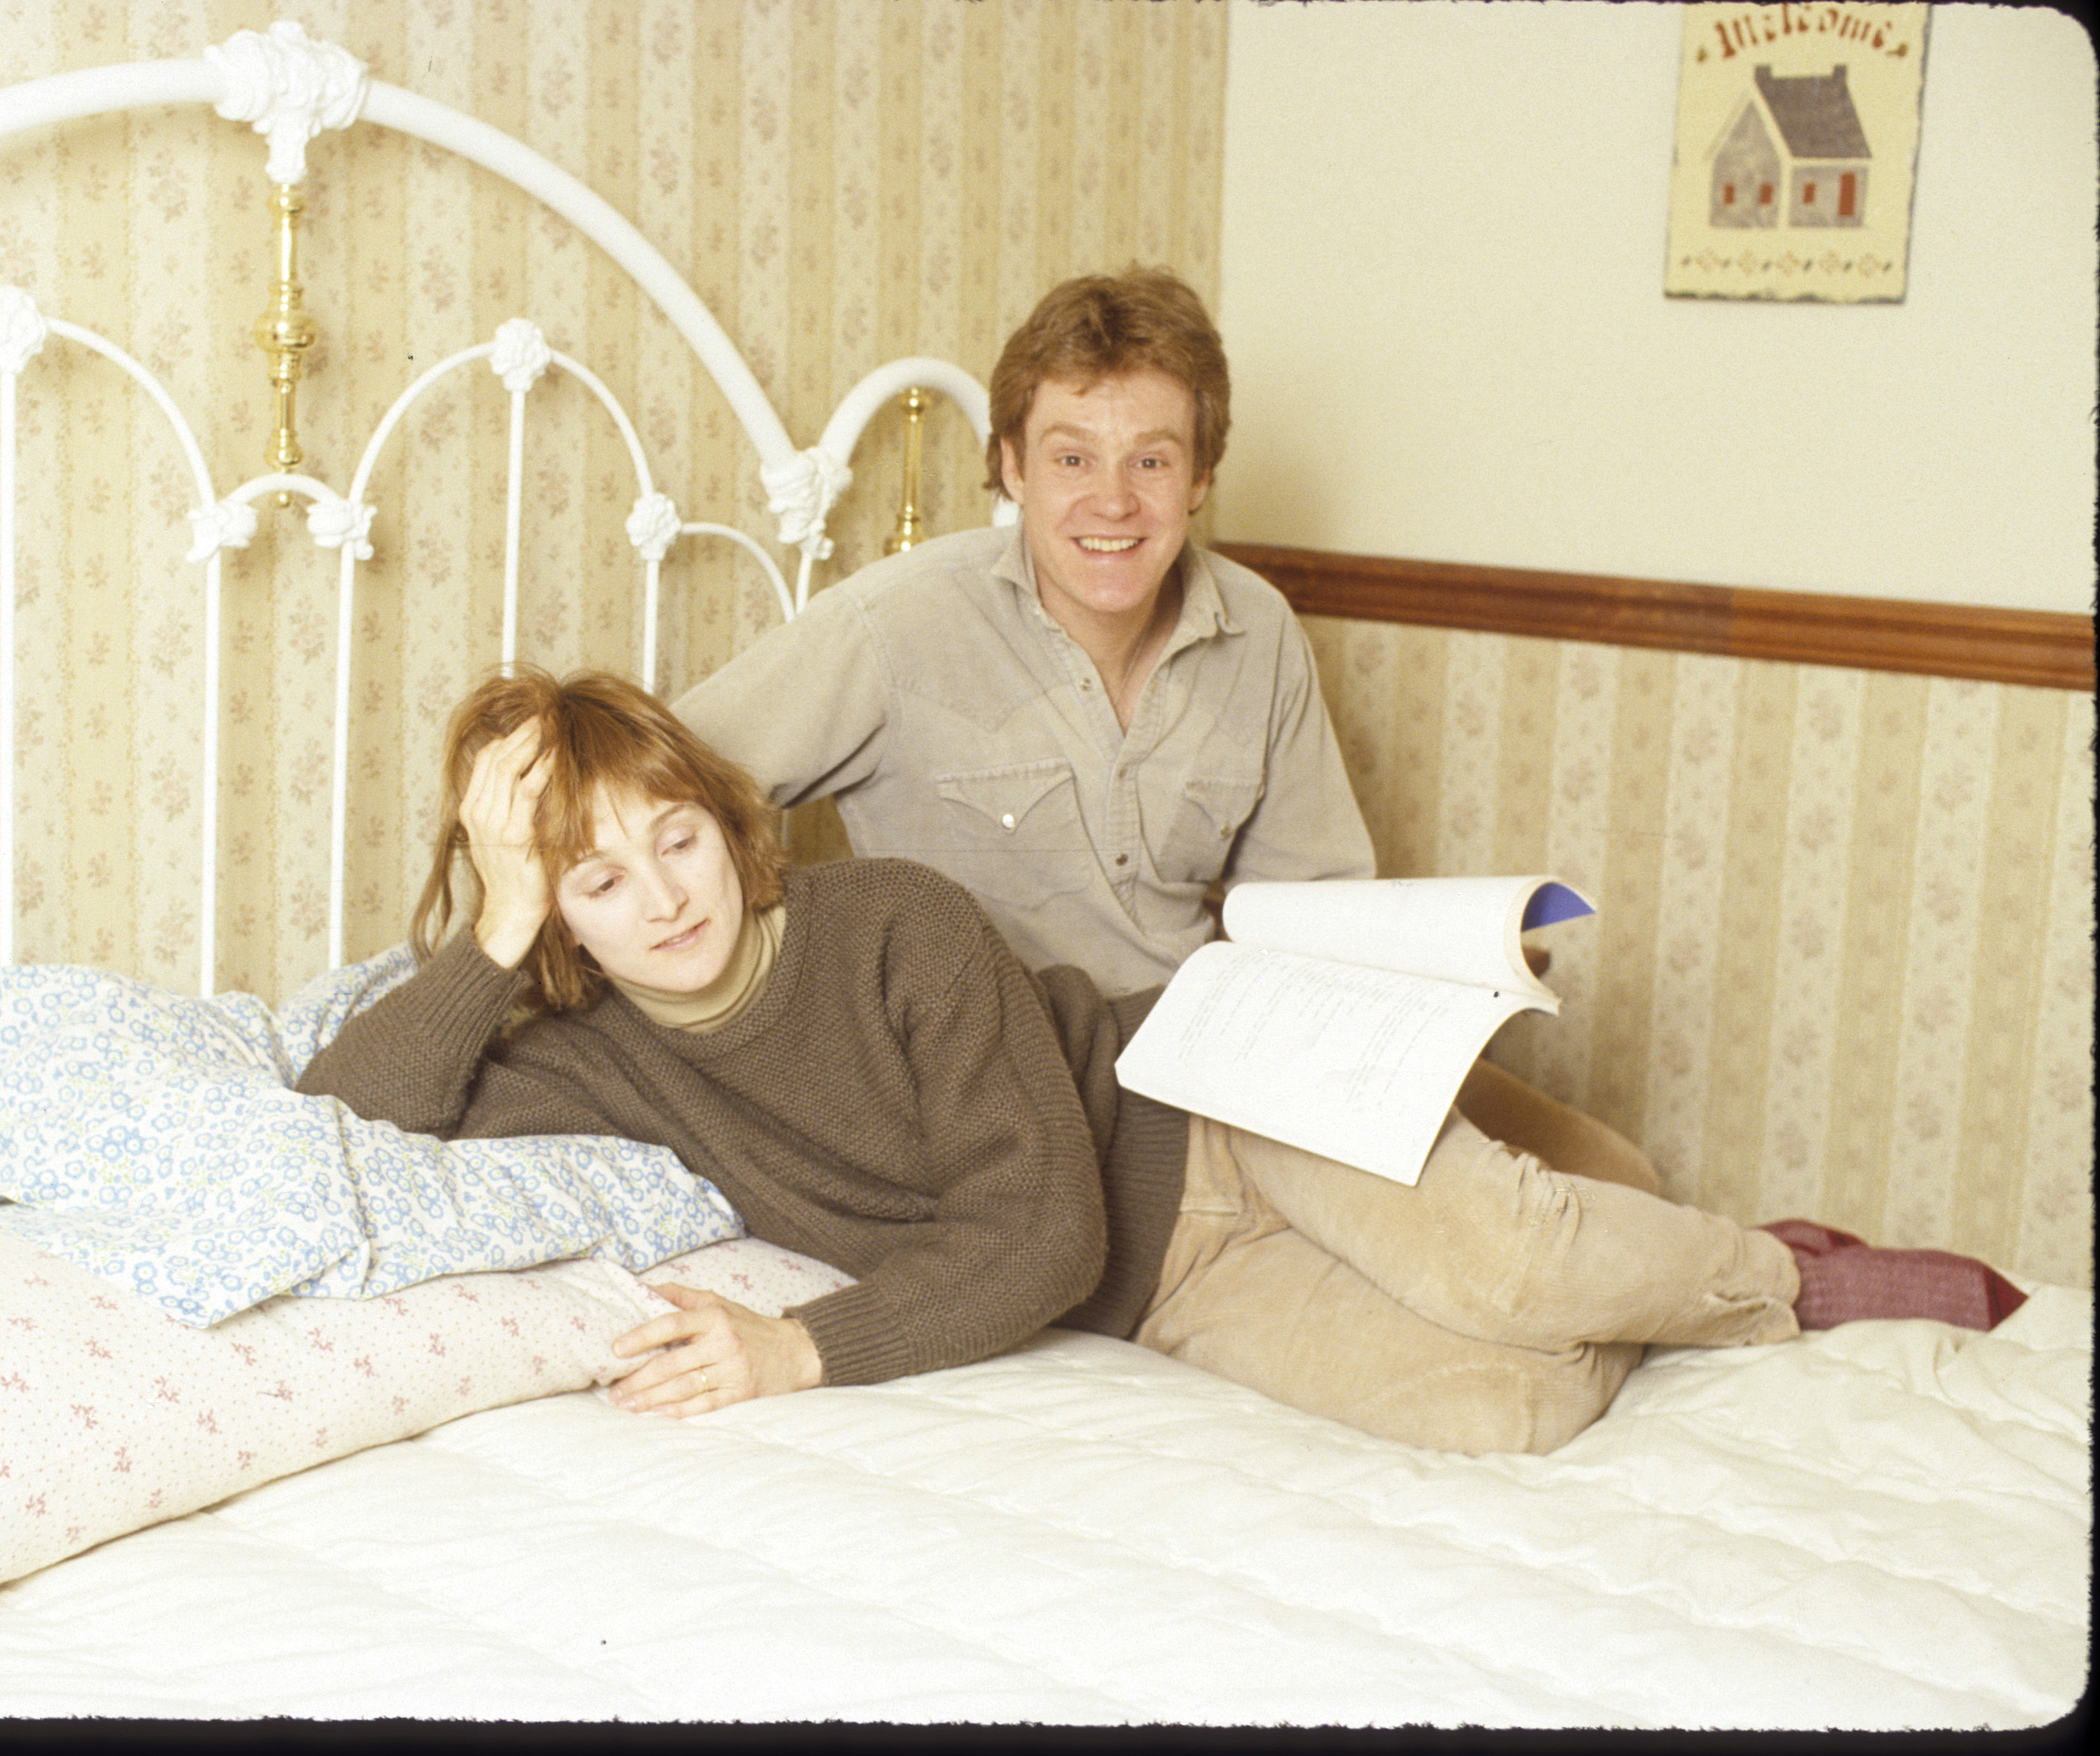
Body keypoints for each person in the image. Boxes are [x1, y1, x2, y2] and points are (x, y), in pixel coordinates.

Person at [295, 669, 2022, 1455]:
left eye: (669, 841)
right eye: (593, 879)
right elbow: (351, 1107)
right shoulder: (589, 1050)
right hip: (1159, 1297)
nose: (654, 899)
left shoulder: (889, 919)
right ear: (557, 917)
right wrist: (502, 908)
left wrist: (794, 1352)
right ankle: (1579, 1220)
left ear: (727, 827)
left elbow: (1037, 1232)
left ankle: (1771, 1272)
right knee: (1501, 1408)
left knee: (1507, 1260)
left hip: (1215, 1114)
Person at [673, 265, 1647, 1192]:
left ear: (1200, 477)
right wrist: (778, 1004)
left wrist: (1455, 969)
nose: (1112, 501)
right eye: (1071, 459)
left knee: (1616, 1178)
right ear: (1010, 468)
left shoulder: (1256, 627)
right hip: (1049, 1099)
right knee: (1496, 1231)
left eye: (1150, 459)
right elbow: (649, 797)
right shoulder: (891, 628)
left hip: (1241, 1051)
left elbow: (1315, 905)